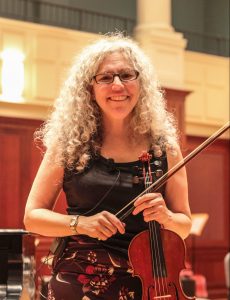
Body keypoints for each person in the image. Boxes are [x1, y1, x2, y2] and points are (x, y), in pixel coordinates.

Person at [24, 33, 192, 300]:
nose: (118, 86)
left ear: (141, 83)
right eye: (105, 77)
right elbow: (32, 216)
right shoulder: (68, 144)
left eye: (127, 75)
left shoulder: (164, 148)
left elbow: (183, 224)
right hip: (77, 281)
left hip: (149, 284)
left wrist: (167, 217)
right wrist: (82, 224)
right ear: (89, 88)